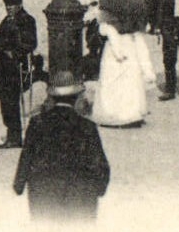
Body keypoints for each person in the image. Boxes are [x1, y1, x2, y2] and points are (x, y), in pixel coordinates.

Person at [12, 71, 110, 223]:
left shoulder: (37, 124)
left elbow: (26, 157)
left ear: (51, 97)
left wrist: (19, 184)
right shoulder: (87, 126)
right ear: (76, 97)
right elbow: (100, 164)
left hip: (44, 197)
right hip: (80, 199)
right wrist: (99, 188)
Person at [91, 15, 156, 127]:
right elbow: (141, 37)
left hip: (114, 48)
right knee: (130, 81)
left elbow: (103, 30)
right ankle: (130, 113)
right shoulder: (135, 13)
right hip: (129, 46)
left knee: (114, 80)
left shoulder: (107, 15)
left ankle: (113, 112)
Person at [0, 0, 38, 148]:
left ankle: (16, 136)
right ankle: (11, 134)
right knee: (5, 102)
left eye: (12, 6)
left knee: (11, 101)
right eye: (7, 6)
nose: (9, 9)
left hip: (16, 67)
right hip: (3, 67)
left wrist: (15, 53)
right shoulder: (5, 21)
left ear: (20, 5)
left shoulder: (27, 20)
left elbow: (31, 43)